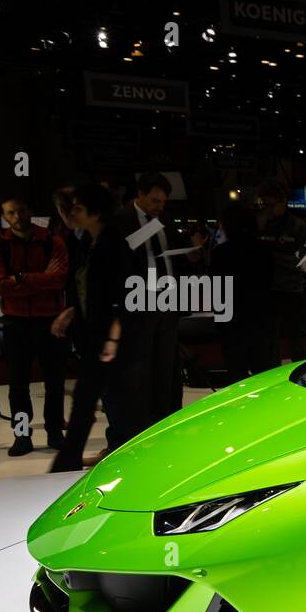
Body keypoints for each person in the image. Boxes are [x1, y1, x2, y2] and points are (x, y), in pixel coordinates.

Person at [0, 194, 70, 456]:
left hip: (50, 321)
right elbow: (1, 286)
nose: (16, 217)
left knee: (55, 382)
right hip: (16, 323)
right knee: (17, 385)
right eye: (10, 213)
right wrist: (40, 278)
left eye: (20, 211)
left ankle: (55, 433)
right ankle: (22, 436)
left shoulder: (52, 241)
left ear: (29, 211)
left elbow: (60, 280)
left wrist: (20, 279)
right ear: (4, 216)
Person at [52, 184, 127, 472]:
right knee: (86, 402)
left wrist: (113, 338)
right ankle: (67, 463)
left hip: (113, 341)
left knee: (114, 403)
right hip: (95, 337)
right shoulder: (88, 243)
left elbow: (123, 296)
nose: (73, 213)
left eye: (79, 208)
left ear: (95, 213)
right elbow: (88, 290)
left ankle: (69, 464)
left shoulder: (113, 244)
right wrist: (70, 313)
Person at [114, 171, 195, 433]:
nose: (159, 207)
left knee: (167, 365)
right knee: (142, 367)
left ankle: (168, 419)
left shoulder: (166, 219)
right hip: (139, 300)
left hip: (168, 299)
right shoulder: (121, 219)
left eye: (163, 202)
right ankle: (142, 425)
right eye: (155, 201)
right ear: (140, 195)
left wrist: (191, 255)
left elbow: (174, 256)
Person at [211, 204, 275, 385]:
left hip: (232, 321)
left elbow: (216, 289)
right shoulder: (263, 250)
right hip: (260, 318)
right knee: (262, 372)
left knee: (236, 373)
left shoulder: (221, 253)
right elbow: (269, 282)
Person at [256, 178, 306, 363]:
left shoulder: (298, 226)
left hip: (292, 291)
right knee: (267, 341)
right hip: (266, 290)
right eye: (264, 203)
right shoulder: (260, 223)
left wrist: (274, 257)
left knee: (296, 341)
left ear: (283, 201)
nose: (268, 209)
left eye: (271, 204)